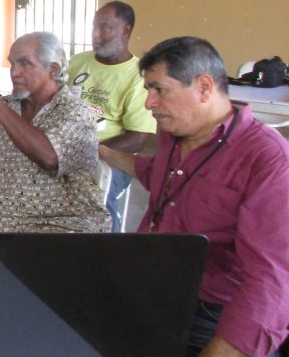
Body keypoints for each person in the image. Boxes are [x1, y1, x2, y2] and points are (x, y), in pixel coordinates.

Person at [99, 36, 289, 357]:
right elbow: (155, 172)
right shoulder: (175, 133)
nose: (149, 104)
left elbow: (272, 283)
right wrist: (102, 152)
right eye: (148, 90)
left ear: (203, 87)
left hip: (212, 312)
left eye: (159, 89)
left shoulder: (267, 159)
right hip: (153, 288)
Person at [0, 31, 109, 234]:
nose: (14, 72)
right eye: (12, 63)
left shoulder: (76, 113)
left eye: (25, 63)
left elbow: (50, 158)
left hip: (61, 226)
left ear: (53, 69)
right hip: (1, 221)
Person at [67, 1, 156, 231]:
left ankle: (109, 254)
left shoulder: (137, 78)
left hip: (110, 157)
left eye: (104, 28)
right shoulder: (79, 62)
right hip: (64, 146)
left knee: (95, 199)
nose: (96, 35)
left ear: (125, 30)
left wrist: (89, 152)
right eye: (94, 27)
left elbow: (139, 137)